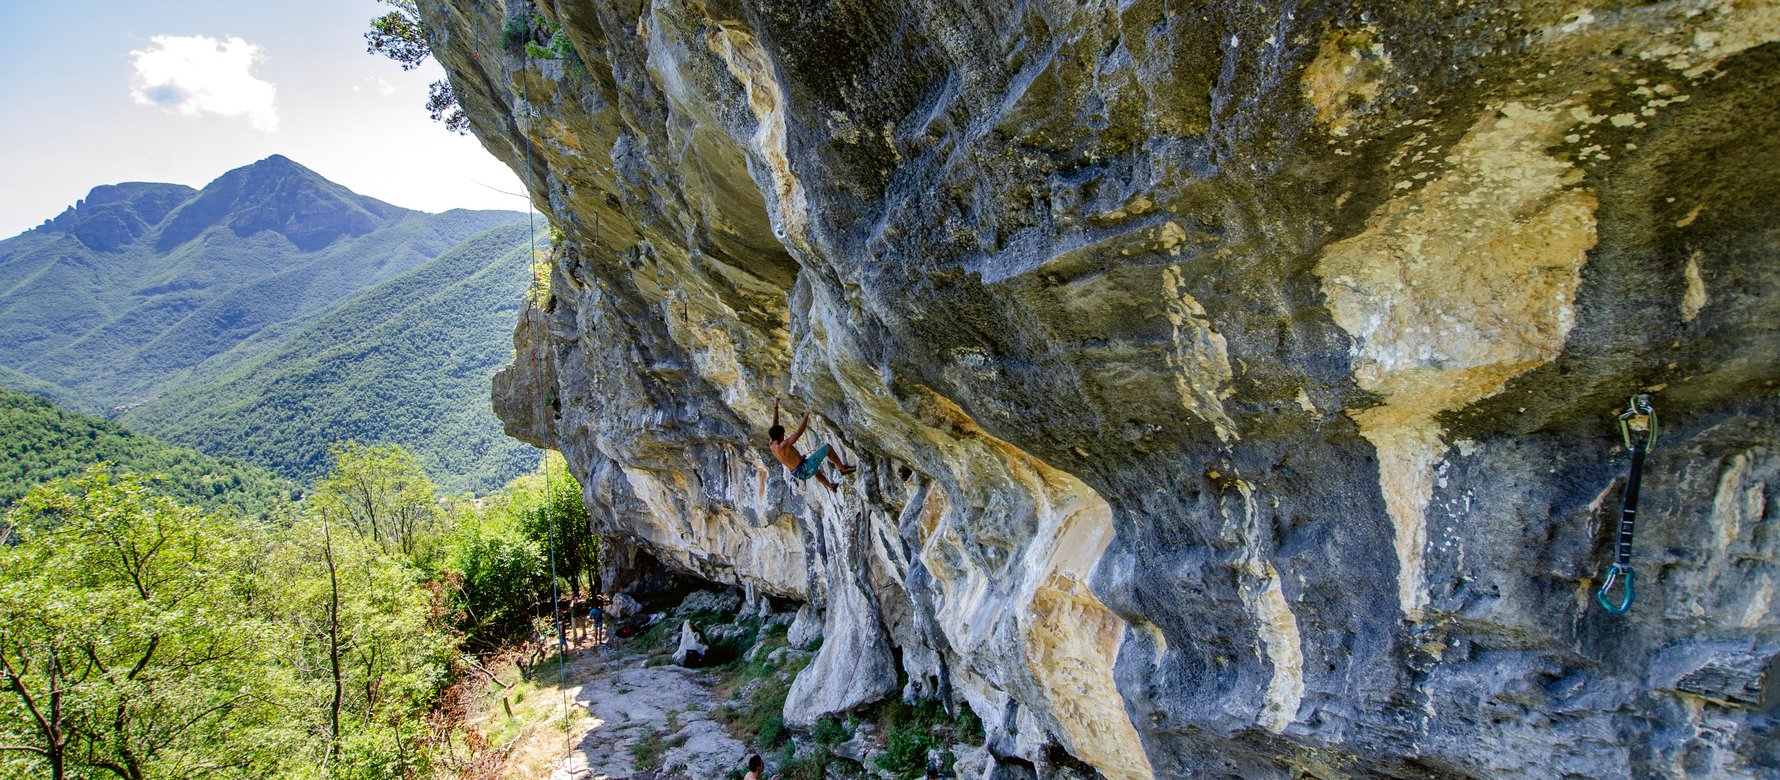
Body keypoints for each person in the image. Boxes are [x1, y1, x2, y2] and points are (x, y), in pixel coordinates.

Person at [768, 398, 855, 491]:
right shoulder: (783, 445)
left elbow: (775, 424)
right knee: (827, 448)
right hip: (805, 469)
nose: (783, 436)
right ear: (780, 436)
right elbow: (798, 433)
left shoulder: (772, 444)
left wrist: (776, 406)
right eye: (782, 435)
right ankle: (842, 469)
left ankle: (831, 486)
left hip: (799, 474)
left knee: (815, 471)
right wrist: (806, 415)